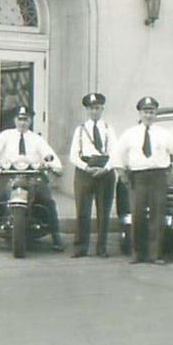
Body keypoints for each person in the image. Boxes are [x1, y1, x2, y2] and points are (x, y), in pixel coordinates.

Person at [0, 105, 65, 252]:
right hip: (9, 175)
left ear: (30, 121)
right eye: (20, 119)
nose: (23, 123)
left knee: (48, 201)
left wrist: (54, 165)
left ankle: (56, 237)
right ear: (15, 120)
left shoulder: (37, 139)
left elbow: (48, 154)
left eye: (26, 119)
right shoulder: (5, 136)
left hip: (33, 176)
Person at [111, 96, 173, 265]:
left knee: (157, 216)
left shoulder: (164, 134)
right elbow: (117, 154)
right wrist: (122, 173)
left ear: (156, 113)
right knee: (137, 215)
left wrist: (172, 173)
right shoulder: (130, 134)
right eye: (145, 112)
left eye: (151, 112)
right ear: (139, 113)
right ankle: (137, 254)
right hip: (137, 177)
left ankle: (155, 255)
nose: (148, 115)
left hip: (158, 177)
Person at [69, 92, 118, 258]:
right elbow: (73, 155)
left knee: (104, 212)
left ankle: (101, 247)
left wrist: (106, 169)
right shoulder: (80, 130)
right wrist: (85, 167)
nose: (94, 112)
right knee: (82, 211)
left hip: (105, 172)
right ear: (87, 110)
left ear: (102, 109)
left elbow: (115, 153)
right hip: (85, 172)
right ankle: (80, 247)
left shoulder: (108, 129)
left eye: (97, 108)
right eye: (91, 109)